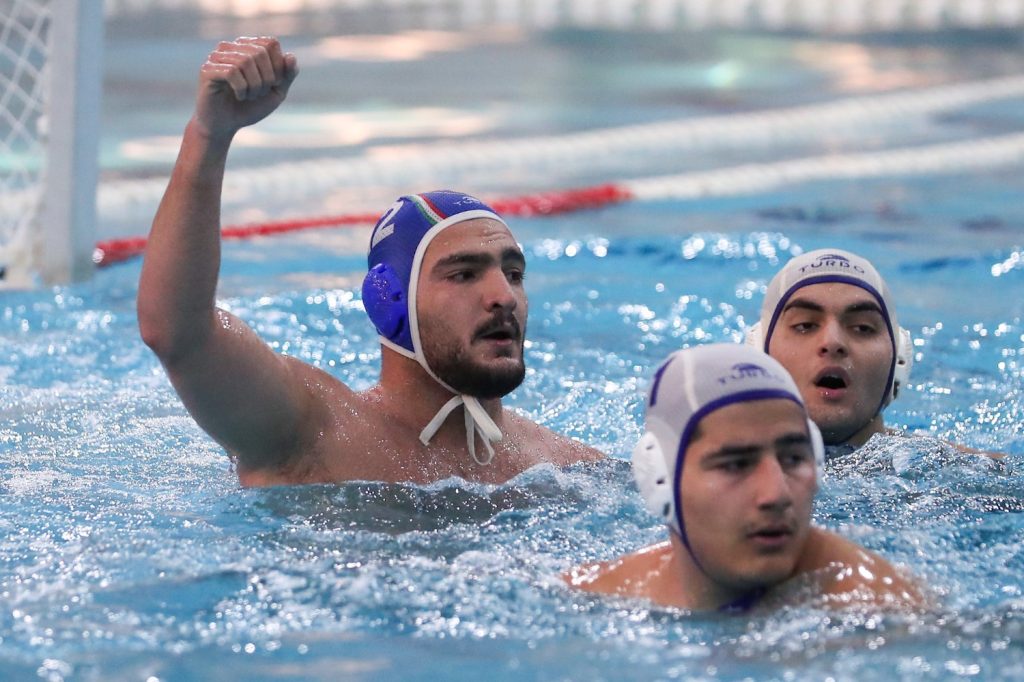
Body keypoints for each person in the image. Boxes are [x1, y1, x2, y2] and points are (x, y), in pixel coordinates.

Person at [137, 37, 603, 486]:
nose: (504, 296)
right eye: (463, 274)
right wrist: (208, 135)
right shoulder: (311, 437)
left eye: (514, 273)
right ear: (389, 301)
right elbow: (178, 332)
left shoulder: (567, 467)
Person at [566, 344, 922, 611]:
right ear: (659, 478)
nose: (776, 494)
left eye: (793, 459)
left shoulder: (881, 613)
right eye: (735, 465)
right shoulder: (591, 597)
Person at [747, 248, 1000, 458]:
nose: (833, 342)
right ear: (760, 354)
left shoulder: (957, 468)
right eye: (805, 325)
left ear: (898, 360)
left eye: (862, 328)